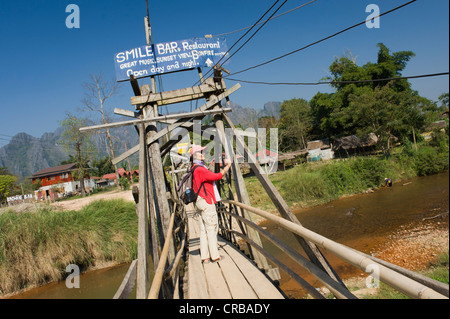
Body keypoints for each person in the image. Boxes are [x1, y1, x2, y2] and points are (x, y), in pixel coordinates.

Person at [190, 145, 232, 264]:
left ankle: (205, 256)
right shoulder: (200, 169)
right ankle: (215, 256)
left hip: (199, 201)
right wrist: (228, 166)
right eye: (200, 151)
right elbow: (217, 176)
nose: (203, 152)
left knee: (203, 230)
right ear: (195, 155)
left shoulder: (194, 168)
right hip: (206, 200)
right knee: (212, 228)